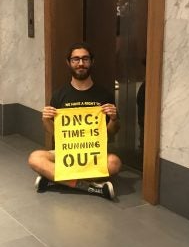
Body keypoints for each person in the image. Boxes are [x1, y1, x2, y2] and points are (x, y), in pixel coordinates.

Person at [28, 42, 122, 200]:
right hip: (66, 152)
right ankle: (90, 187)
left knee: (114, 163)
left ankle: (57, 179)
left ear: (91, 62)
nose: (80, 63)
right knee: (35, 158)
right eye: (75, 59)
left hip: (93, 152)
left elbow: (110, 132)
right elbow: (55, 133)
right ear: (69, 63)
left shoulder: (104, 95)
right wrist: (45, 119)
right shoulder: (59, 95)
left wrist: (113, 118)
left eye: (85, 59)